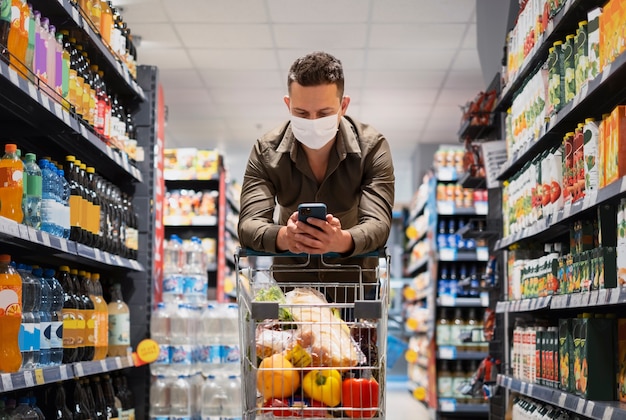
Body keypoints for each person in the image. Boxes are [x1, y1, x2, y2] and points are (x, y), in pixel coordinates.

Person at [237, 51, 395, 302]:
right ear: (288, 105)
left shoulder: (371, 148)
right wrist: (285, 237)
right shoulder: (266, 151)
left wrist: (340, 241)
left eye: (323, 114)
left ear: (343, 106)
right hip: (291, 294)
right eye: (301, 113)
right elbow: (248, 225)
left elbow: (379, 224)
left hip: (353, 293)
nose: (312, 122)